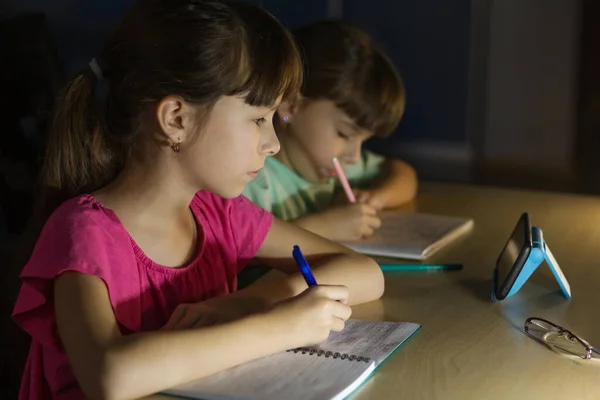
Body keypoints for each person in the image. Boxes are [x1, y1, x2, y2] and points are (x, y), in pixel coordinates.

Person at [12, 2, 384, 399]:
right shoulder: (83, 233)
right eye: (258, 118)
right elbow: (111, 375)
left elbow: (365, 273)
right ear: (177, 119)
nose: (273, 143)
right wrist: (280, 327)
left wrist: (244, 304)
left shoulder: (221, 216)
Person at [243, 20, 417, 243]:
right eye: (344, 134)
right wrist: (323, 228)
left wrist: (376, 198)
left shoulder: (335, 168)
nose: (354, 156)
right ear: (291, 105)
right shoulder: (253, 180)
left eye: (364, 140)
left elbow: (403, 173)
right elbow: (240, 248)